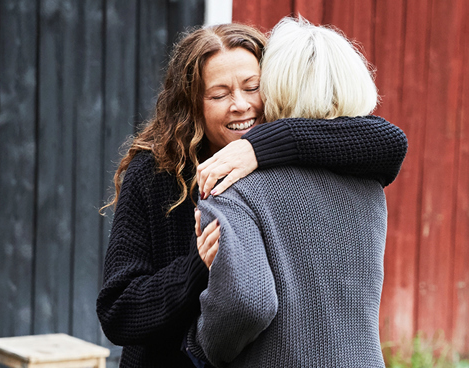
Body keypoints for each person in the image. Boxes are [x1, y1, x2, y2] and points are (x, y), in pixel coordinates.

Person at [96, 22, 407, 368]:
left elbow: (388, 142)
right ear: (191, 105)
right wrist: (196, 269)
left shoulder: (273, 161)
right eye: (219, 94)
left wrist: (258, 148)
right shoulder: (155, 172)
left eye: (252, 87)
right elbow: (118, 312)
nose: (240, 105)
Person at [187, 17, 404, 368]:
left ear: (275, 87)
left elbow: (247, 302)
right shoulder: (369, 183)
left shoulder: (231, 187)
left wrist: (200, 346)